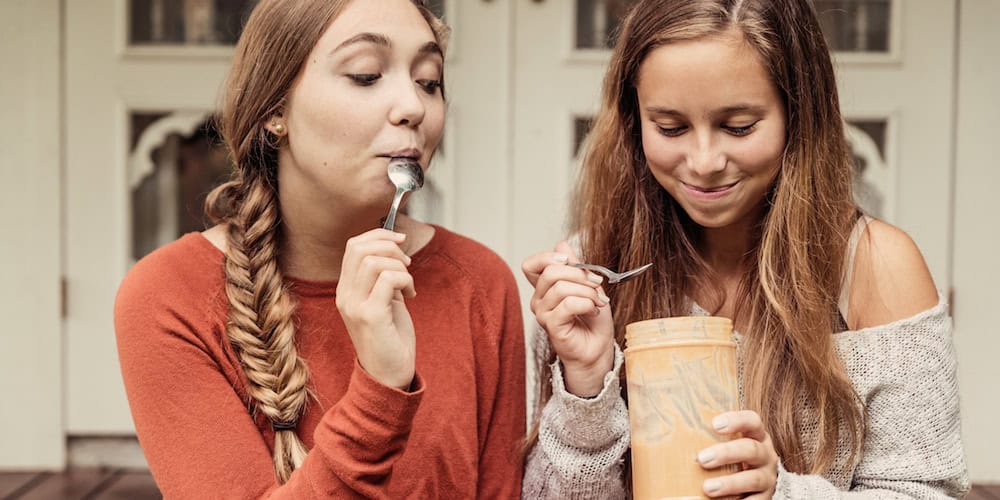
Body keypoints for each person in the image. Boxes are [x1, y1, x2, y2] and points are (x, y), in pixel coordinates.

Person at [520, 0, 968, 498]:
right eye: (670, 128)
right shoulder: (594, 274)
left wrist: (782, 493)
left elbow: (927, 492)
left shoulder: (874, 265)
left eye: (738, 127)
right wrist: (586, 383)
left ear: (799, 114)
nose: (704, 161)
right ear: (633, 121)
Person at [114, 0, 525, 497]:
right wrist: (380, 390)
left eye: (429, 81)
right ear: (274, 111)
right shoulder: (168, 295)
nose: (414, 106)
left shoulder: (479, 281)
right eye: (366, 75)